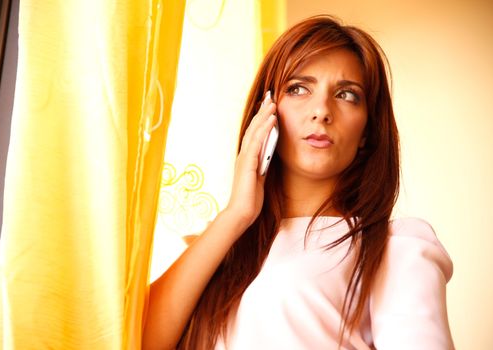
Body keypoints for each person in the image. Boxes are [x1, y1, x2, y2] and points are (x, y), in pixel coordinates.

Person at [142, 15, 455, 350]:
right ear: (267, 113)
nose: (321, 110)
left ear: (367, 131)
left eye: (347, 95)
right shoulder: (222, 250)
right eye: (298, 88)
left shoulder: (393, 247)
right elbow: (137, 341)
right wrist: (236, 214)